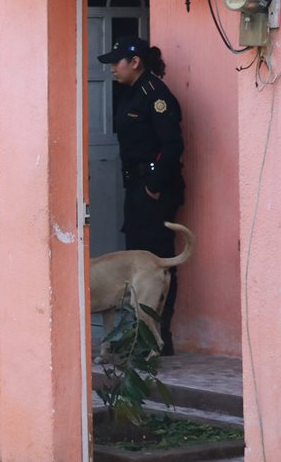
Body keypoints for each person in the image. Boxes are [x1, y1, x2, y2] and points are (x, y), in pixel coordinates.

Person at [97, 35, 184, 355]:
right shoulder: (130, 93)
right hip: (137, 187)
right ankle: (138, 335)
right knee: (138, 260)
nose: (111, 70)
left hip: (154, 190)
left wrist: (154, 186)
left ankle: (160, 336)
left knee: (156, 265)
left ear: (135, 62)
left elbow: (172, 145)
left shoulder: (155, 95)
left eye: (116, 63)